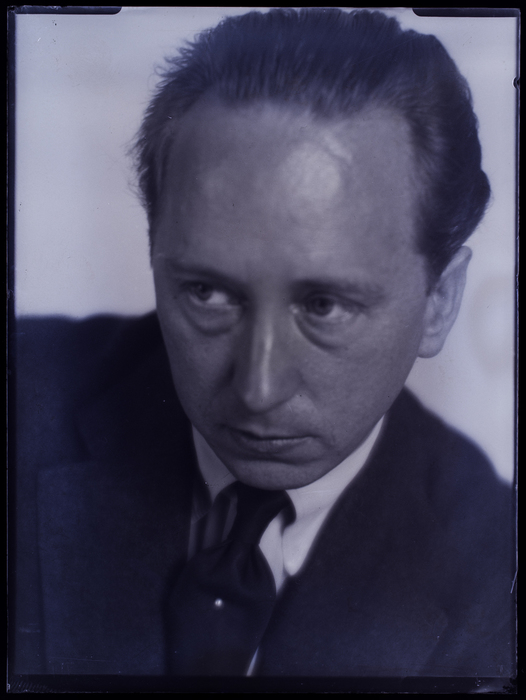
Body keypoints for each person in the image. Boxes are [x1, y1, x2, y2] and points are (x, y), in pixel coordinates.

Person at [12, 8, 515, 681]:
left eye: (324, 306)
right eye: (207, 294)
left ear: (440, 302)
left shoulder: (498, 577)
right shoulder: (22, 397)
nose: (258, 389)